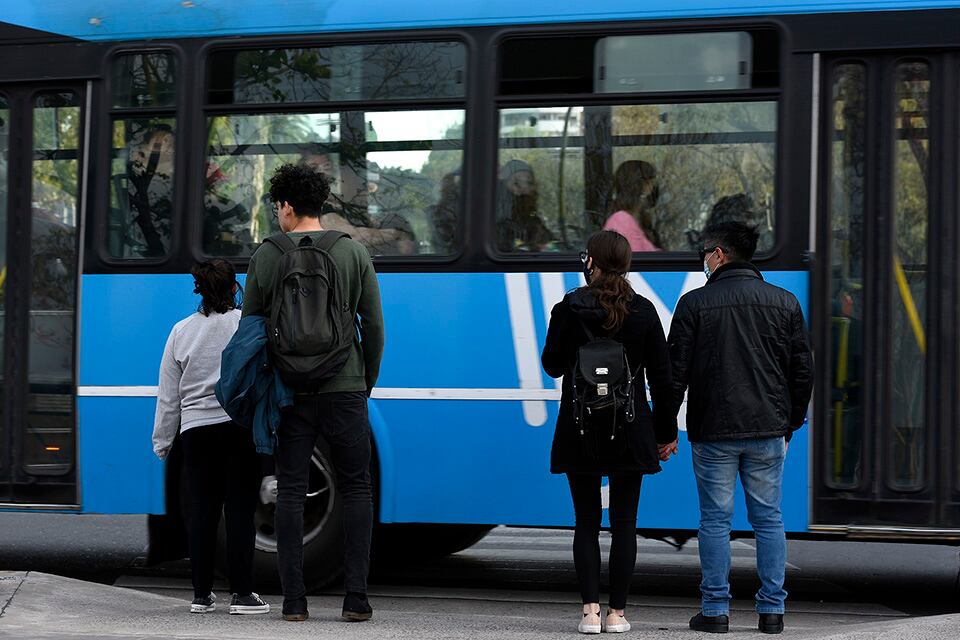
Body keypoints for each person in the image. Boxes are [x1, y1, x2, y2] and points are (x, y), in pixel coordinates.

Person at [243, 163, 385, 622]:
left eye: (276, 207)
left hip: (290, 389)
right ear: (320, 204)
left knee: (290, 490)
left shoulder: (266, 254)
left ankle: (294, 603)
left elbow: (251, 330)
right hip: (345, 385)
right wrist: (365, 381)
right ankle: (356, 600)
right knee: (357, 487)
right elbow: (375, 325)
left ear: (286, 206)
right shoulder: (351, 252)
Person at [666, 221, 813, 635]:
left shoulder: (694, 305)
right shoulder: (784, 302)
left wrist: (664, 430)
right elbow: (803, 371)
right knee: (769, 519)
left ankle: (715, 611)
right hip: (769, 429)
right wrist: (791, 422)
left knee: (715, 521)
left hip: (713, 431)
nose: (704, 260)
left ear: (719, 254)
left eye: (705, 253)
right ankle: (772, 613)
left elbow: (674, 375)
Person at [541, 230, 677, 634]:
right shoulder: (644, 311)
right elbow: (663, 380)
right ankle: (617, 614)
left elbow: (552, 365)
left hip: (580, 427)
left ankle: (589, 613)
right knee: (625, 523)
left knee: (585, 521)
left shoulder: (569, 307)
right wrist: (664, 432)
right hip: (631, 427)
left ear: (592, 263)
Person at [152, 259, 269, 616]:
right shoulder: (244, 326)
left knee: (201, 512)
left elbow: (168, 396)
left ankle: (201, 596)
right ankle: (243, 595)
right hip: (236, 428)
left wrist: (163, 442)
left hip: (195, 433)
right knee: (239, 511)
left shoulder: (180, 331)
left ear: (198, 290)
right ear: (234, 287)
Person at [496, 159, 554, 252]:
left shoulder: (525, 211)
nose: (534, 188)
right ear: (514, 186)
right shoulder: (501, 214)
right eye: (529, 183)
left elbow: (543, 237)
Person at [603, 160, 661, 252]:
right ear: (646, 186)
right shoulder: (621, 221)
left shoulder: (637, 220)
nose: (654, 187)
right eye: (651, 182)